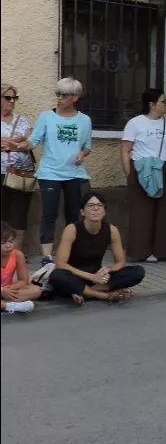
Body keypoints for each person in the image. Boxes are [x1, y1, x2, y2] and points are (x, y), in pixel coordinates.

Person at [10, 77, 92, 265]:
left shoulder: (84, 120)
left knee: (73, 215)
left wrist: (82, 154)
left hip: (74, 174)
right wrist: (21, 144)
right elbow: (35, 140)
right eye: (58, 94)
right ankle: (47, 257)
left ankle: (71, 253)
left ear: (75, 98)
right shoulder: (46, 116)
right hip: (50, 173)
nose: (59, 98)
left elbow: (88, 146)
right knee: (49, 214)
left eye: (64, 95)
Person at [121, 88, 166, 262]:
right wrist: (130, 174)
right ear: (152, 104)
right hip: (144, 170)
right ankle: (143, 251)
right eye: (163, 101)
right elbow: (125, 150)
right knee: (143, 212)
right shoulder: (135, 123)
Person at [48, 191, 145, 305]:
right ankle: (103, 295)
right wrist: (91, 276)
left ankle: (86, 292)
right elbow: (60, 264)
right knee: (57, 276)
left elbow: (120, 262)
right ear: (82, 212)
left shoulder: (112, 230)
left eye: (99, 206)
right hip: (74, 277)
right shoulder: (72, 229)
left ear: (104, 211)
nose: (95, 209)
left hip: (97, 279)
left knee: (137, 271)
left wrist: (107, 270)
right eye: (90, 206)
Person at [1, 83, 35, 249]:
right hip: (1, 173)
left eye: (15, 98)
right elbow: (23, 138)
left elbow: (30, 141)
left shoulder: (22, 120)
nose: (12, 101)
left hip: (20, 174)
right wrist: (17, 139)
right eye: (8, 97)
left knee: (19, 218)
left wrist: (7, 141)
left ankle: (17, 257)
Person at [2, 222, 41, 314]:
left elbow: (23, 281)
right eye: (3, 243)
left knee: (36, 290)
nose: (8, 246)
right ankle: (8, 306)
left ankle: (5, 301)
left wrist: (8, 289)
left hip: (8, 289)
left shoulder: (17, 255)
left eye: (11, 241)